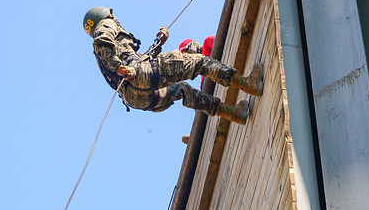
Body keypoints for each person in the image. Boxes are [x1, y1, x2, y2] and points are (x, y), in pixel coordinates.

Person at [84, 7, 263, 125]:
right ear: (106, 15)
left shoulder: (104, 58)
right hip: (137, 74)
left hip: (136, 98)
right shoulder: (106, 25)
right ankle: (249, 84)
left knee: (182, 89)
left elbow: (142, 68)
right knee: (199, 62)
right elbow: (102, 43)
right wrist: (118, 67)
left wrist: (159, 43)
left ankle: (234, 113)